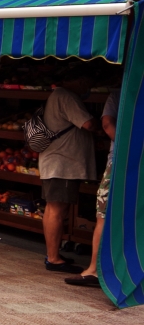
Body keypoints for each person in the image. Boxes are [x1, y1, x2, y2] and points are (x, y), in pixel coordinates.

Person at [39, 85, 97, 273]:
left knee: (51, 208)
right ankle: (54, 258)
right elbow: (87, 123)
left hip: (54, 161)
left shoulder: (56, 95)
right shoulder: (67, 96)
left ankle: (52, 254)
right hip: (63, 164)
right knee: (57, 209)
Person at [67, 89, 118, 286]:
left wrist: (126, 147)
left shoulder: (120, 93)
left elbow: (106, 124)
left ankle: (94, 270)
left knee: (103, 216)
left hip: (119, 162)